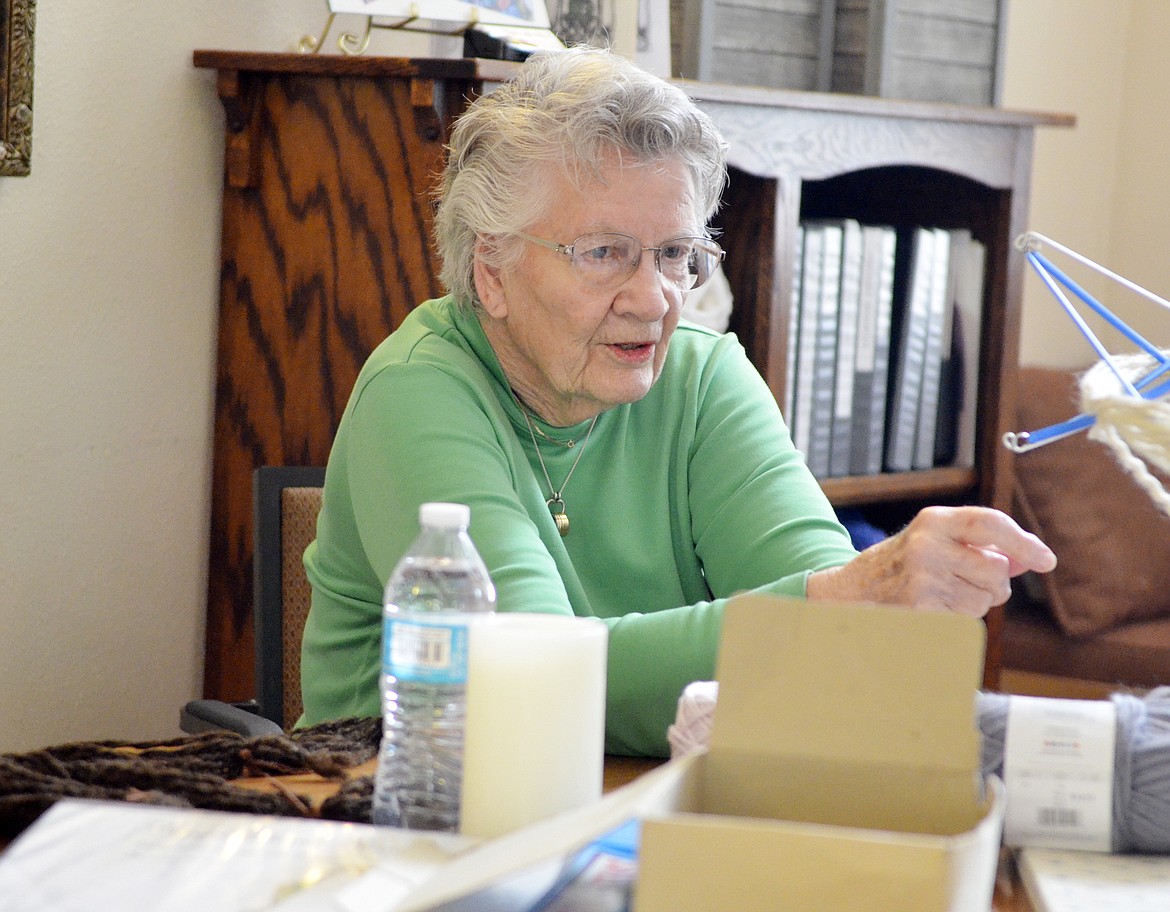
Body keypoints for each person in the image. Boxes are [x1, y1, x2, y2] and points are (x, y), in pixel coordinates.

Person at [298, 46, 1056, 758]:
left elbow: (827, 618)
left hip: (635, 809)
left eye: (673, 254)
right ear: (489, 269)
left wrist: (866, 601)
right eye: (602, 253)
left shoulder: (702, 377)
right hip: (390, 816)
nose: (655, 297)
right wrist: (844, 601)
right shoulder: (419, 392)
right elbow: (532, 675)